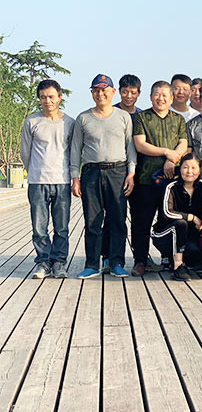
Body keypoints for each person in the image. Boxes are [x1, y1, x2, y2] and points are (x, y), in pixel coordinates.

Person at [70, 74, 136, 279]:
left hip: (118, 172)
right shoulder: (83, 118)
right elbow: (75, 149)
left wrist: (131, 172)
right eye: (96, 90)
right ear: (92, 93)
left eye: (104, 90)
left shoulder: (123, 117)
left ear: (113, 92)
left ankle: (116, 262)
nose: (101, 94)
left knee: (118, 219)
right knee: (92, 220)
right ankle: (92, 264)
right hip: (91, 172)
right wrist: (75, 176)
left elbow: (130, 146)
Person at [129, 81, 188, 277]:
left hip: (171, 181)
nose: (160, 98)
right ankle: (140, 260)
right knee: (141, 221)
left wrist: (173, 158)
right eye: (157, 94)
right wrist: (166, 152)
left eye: (164, 95)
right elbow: (140, 145)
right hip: (145, 179)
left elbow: (183, 143)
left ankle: (170, 258)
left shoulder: (178, 119)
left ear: (171, 98)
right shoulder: (141, 117)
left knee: (171, 219)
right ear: (150, 97)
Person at [20, 79, 75, 279]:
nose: (47, 101)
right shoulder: (31, 121)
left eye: (51, 96)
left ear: (59, 97)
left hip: (62, 181)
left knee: (62, 227)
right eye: (43, 97)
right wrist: (34, 172)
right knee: (39, 227)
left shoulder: (69, 123)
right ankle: (43, 262)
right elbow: (25, 152)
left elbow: (74, 152)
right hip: (37, 181)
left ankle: (59, 262)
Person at [101, 73, 143, 272]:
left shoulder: (141, 115)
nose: (128, 96)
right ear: (118, 92)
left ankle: (140, 257)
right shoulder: (111, 113)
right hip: (115, 172)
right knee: (113, 216)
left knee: (138, 217)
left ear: (139, 93)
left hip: (137, 172)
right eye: (125, 92)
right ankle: (108, 256)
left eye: (132, 92)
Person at [151, 153, 202, 281]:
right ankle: (178, 265)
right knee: (180, 223)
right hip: (164, 234)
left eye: (193, 168)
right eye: (185, 167)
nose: (189, 172)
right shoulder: (171, 187)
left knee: (196, 251)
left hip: (189, 236)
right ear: (180, 168)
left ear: (199, 170)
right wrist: (192, 217)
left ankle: (180, 259)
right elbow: (167, 213)